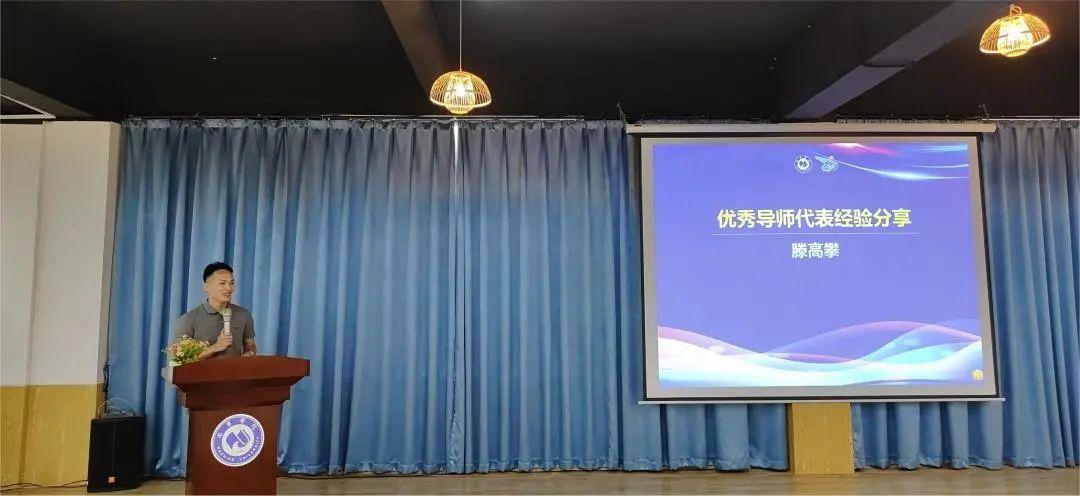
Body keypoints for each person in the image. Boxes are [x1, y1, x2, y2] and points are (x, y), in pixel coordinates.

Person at [173, 262, 257, 360]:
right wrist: (216, 347)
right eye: (222, 283)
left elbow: (250, 345)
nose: (229, 288)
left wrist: (249, 354)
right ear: (206, 287)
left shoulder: (244, 315)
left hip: (234, 370)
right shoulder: (188, 319)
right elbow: (179, 359)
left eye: (232, 283)